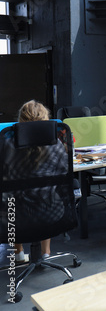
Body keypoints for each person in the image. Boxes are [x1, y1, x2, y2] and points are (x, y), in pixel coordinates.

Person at [12, 100, 64, 263]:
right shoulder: (55, 146)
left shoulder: (9, 146)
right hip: (52, 211)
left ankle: (18, 253)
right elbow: (65, 171)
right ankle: (46, 253)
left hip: (18, 215)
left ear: (21, 121)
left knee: (11, 200)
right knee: (46, 195)